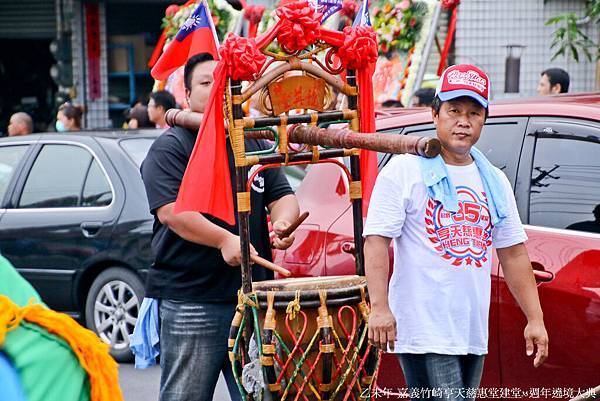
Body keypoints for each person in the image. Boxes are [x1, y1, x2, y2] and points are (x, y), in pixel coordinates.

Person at [364, 64, 549, 401]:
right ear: (435, 113)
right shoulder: (405, 170)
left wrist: (535, 319)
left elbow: (513, 253)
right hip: (424, 328)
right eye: (454, 110)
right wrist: (379, 308)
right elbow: (376, 240)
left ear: (484, 120)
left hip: (470, 330)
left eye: (474, 113)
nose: (463, 121)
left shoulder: (493, 179)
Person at [140, 53, 299, 401]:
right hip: (193, 300)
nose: (216, 88)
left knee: (262, 395)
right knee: (186, 396)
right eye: (205, 82)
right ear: (186, 92)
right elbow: (172, 213)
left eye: (224, 80)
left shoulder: (253, 140)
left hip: (253, 298)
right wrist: (225, 240)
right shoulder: (170, 147)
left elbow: (282, 194)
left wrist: (284, 224)